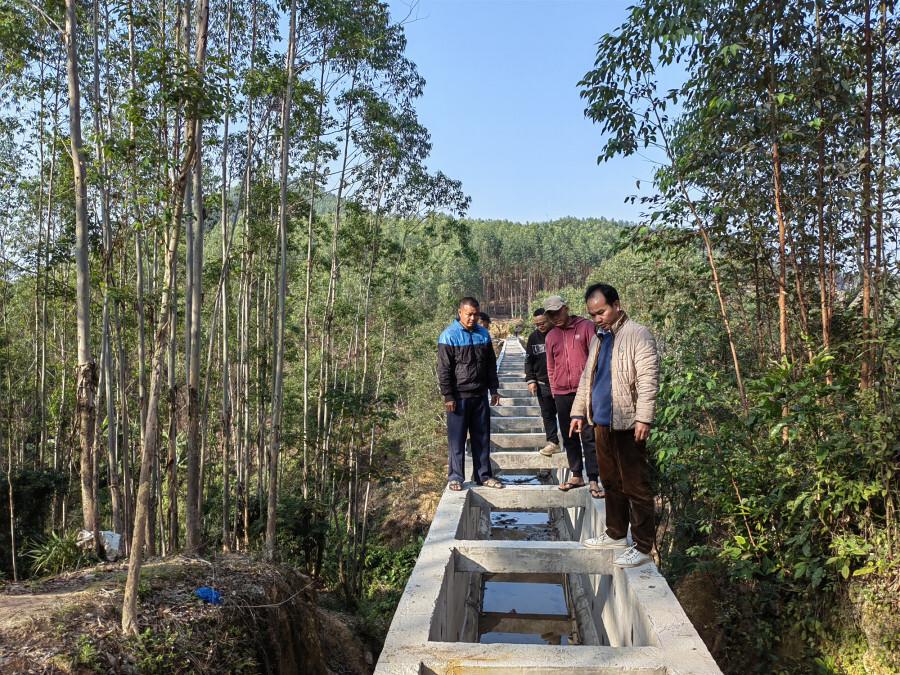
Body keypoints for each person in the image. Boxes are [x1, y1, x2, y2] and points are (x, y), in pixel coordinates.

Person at [570, 283, 659, 568]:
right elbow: (588, 379)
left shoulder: (637, 334)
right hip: (602, 421)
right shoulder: (599, 339)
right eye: (592, 314)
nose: (597, 318)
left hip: (627, 422)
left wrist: (644, 416)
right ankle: (616, 533)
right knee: (610, 481)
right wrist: (578, 413)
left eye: (601, 311)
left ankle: (643, 546)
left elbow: (648, 379)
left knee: (636, 485)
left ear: (617, 305)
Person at [438, 297, 504, 491]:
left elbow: (491, 364)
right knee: (457, 440)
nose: (473, 318)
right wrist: (448, 395)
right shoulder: (449, 335)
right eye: (469, 314)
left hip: (480, 395)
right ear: (460, 313)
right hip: (458, 398)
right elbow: (443, 369)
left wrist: (494, 389)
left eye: (475, 314)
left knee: (482, 437)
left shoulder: (483, 334)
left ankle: (483, 475)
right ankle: (456, 477)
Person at [544, 295, 603, 499]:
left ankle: (594, 478)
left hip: (585, 390)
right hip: (561, 392)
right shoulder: (551, 336)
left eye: (557, 312)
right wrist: (554, 390)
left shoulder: (586, 327)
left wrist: (593, 388)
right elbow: (550, 367)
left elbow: (596, 358)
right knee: (569, 436)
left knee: (588, 435)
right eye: (551, 314)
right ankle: (576, 474)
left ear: (566, 308)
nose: (555, 317)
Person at [524, 309, 560, 457]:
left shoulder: (559, 333)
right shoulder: (533, 338)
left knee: (566, 415)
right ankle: (553, 442)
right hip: (542, 383)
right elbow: (528, 361)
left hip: (561, 384)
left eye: (543, 323)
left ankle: (571, 443)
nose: (540, 326)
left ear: (550, 320)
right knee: (548, 414)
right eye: (537, 324)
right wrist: (530, 380)